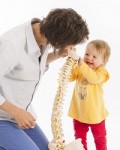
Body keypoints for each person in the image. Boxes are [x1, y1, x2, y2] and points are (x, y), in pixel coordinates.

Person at [0, 8, 89, 150]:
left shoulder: (44, 36)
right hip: (3, 116)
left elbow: (32, 63)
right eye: (71, 43)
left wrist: (59, 53)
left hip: (20, 113)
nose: (73, 47)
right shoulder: (11, 44)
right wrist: (17, 112)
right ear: (60, 37)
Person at [68, 39, 111, 150]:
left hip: (96, 115)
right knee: (79, 139)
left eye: (94, 57)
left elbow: (93, 79)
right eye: (87, 54)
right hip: (79, 113)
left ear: (104, 61)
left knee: (100, 138)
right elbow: (70, 78)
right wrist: (72, 64)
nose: (89, 58)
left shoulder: (102, 73)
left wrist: (82, 66)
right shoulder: (81, 68)